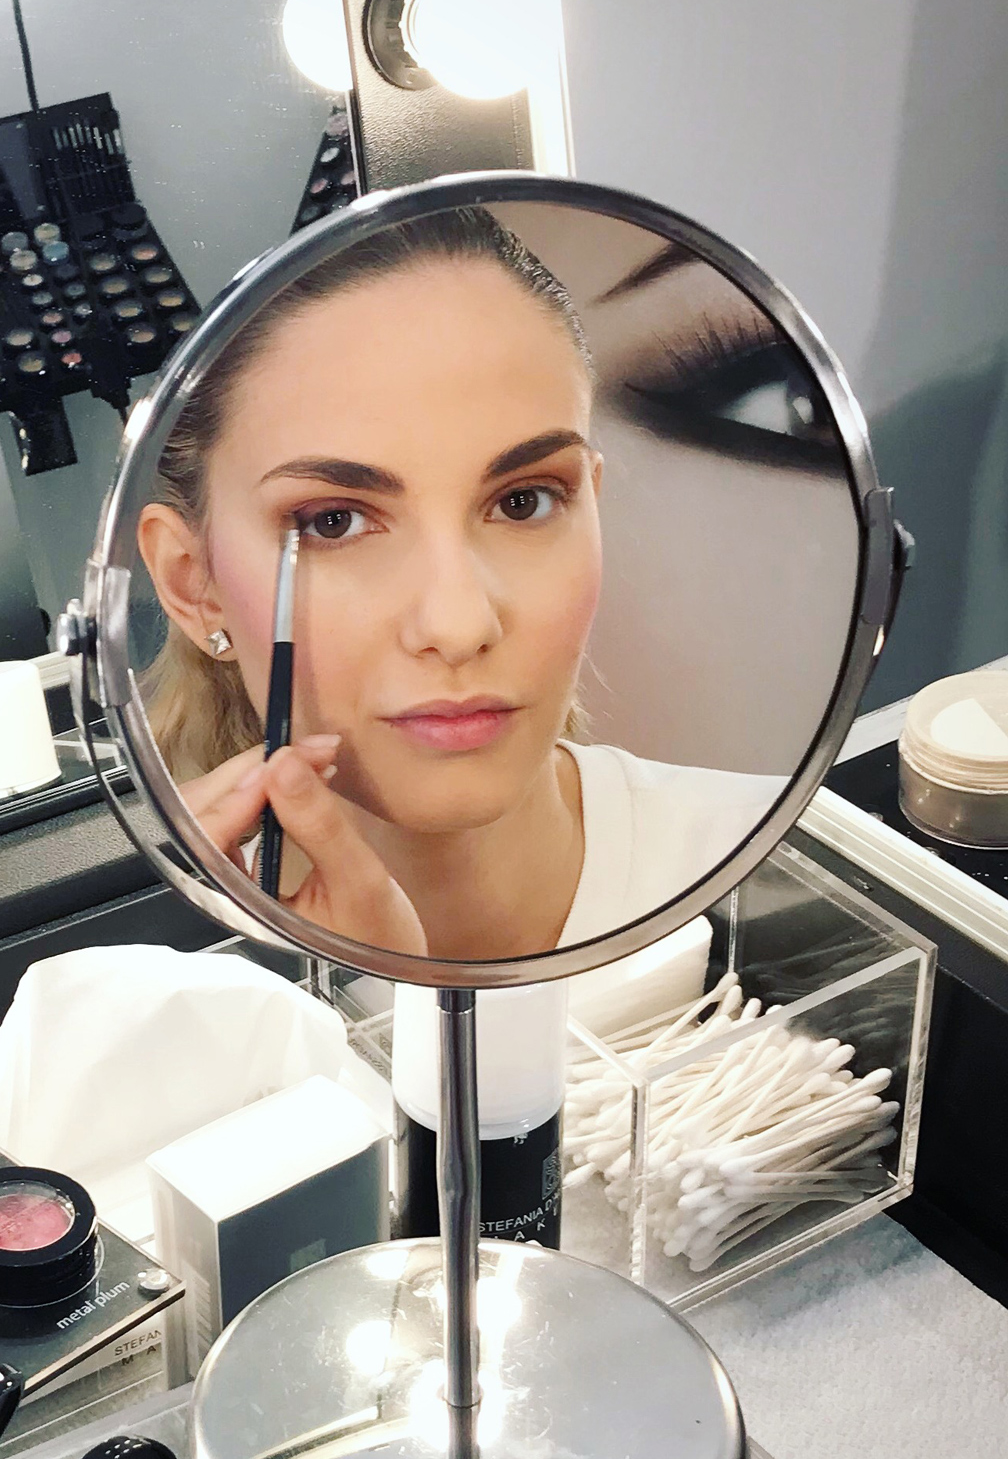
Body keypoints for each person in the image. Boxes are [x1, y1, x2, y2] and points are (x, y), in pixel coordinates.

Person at [137, 207, 779, 961]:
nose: (459, 624)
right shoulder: (171, 990)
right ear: (193, 584)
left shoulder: (776, 862)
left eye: (524, 501)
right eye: (335, 521)